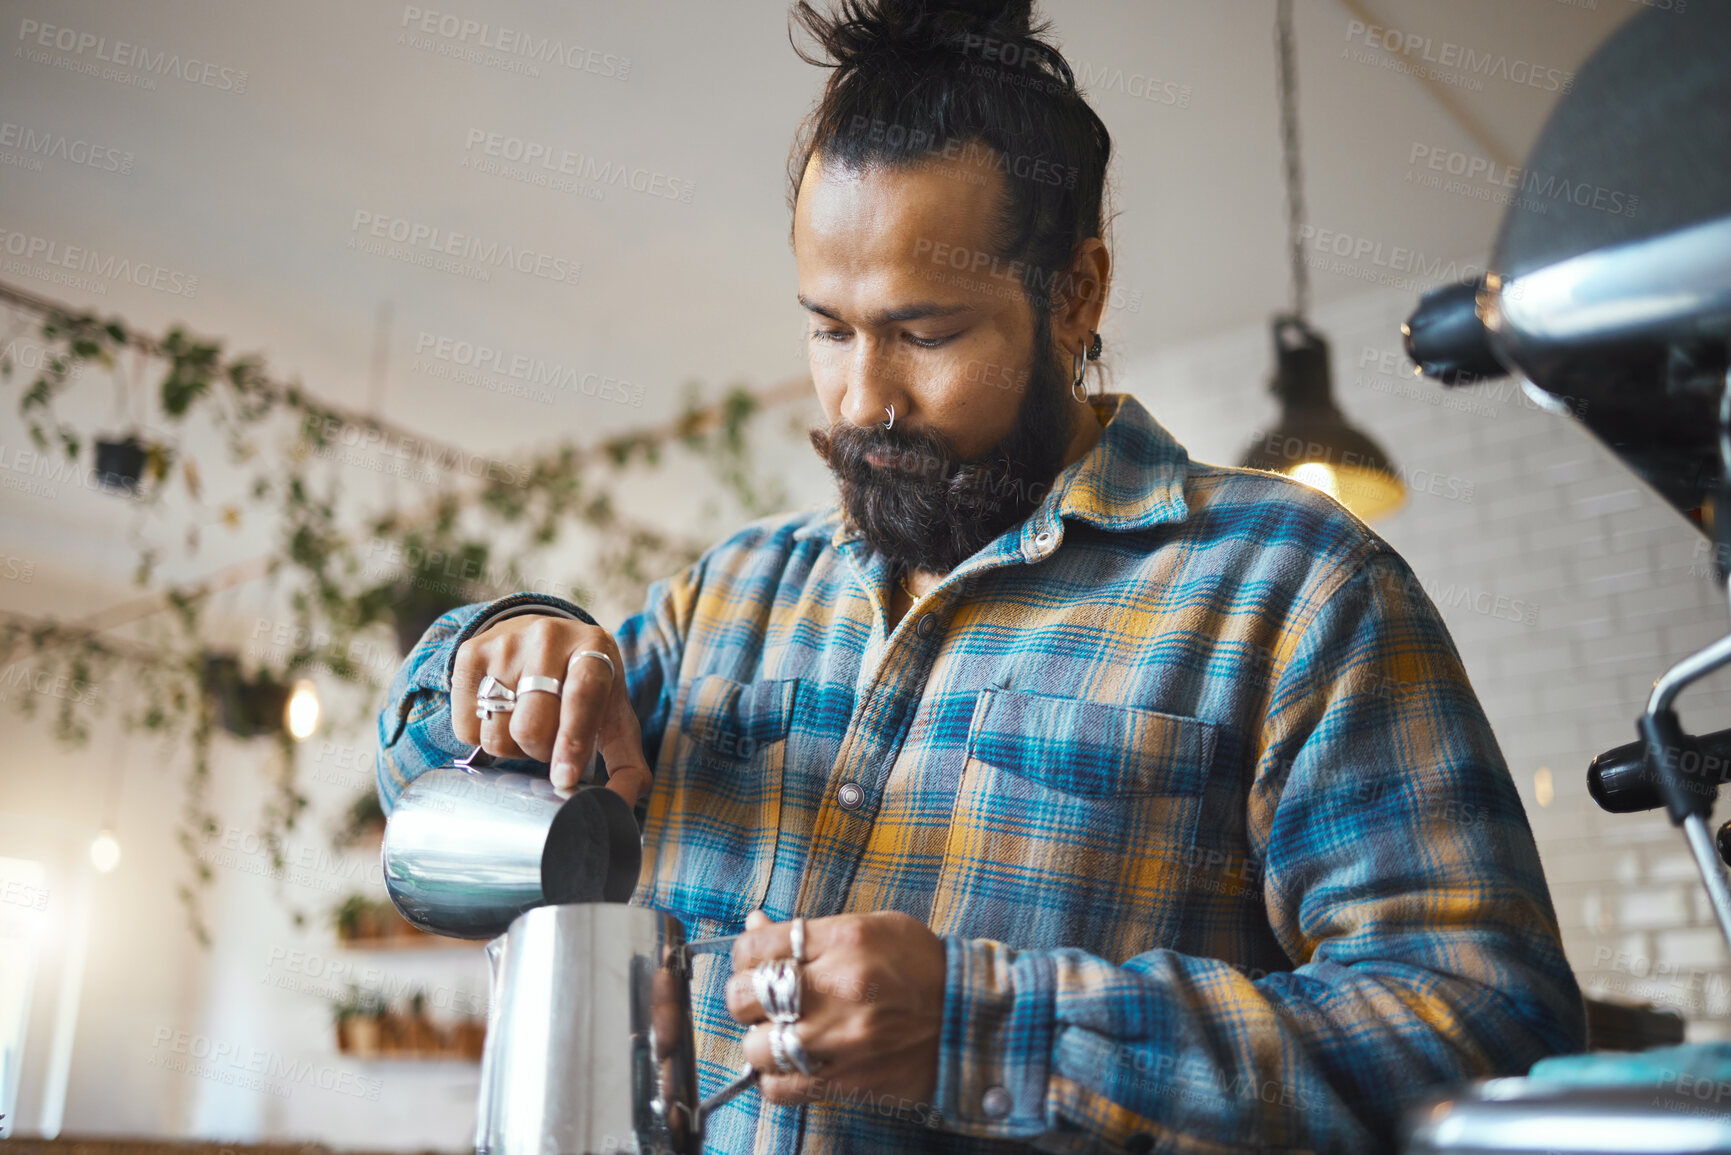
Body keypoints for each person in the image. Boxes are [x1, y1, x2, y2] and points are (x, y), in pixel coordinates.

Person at [375, 1, 1585, 1150]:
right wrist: (507, 649)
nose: (863, 400)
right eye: (830, 328)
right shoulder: (726, 602)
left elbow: (1484, 1033)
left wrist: (990, 1028)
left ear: (1077, 295)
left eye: (925, 332)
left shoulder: (1296, 594)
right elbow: (421, 778)